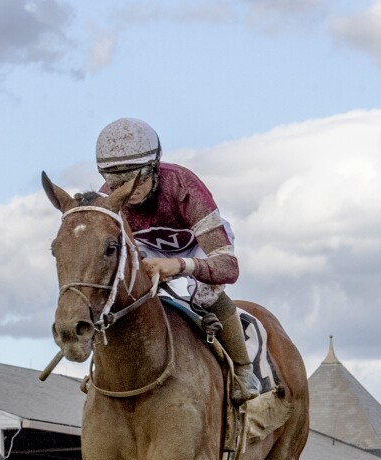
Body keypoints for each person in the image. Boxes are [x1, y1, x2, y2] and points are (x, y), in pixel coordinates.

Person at [94, 117, 261, 404]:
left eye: (139, 179)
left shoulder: (183, 186)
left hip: (198, 246)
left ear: (155, 167)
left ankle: (244, 370)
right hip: (148, 249)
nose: (129, 190)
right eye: (117, 182)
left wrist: (182, 266)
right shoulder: (106, 200)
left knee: (207, 293)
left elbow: (228, 269)